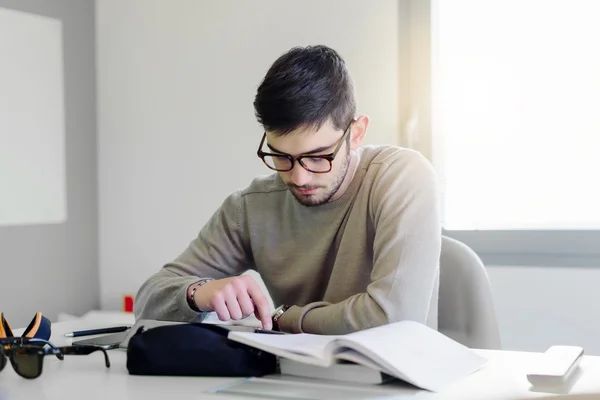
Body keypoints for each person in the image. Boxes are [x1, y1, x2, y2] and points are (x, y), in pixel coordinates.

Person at [134, 45, 441, 335]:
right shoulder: (250, 208)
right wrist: (198, 292)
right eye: (281, 156)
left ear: (356, 133)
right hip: (291, 380)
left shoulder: (401, 178)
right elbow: (149, 299)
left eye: (319, 156)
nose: (299, 177)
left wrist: (282, 318)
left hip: (394, 386)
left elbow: (394, 319)